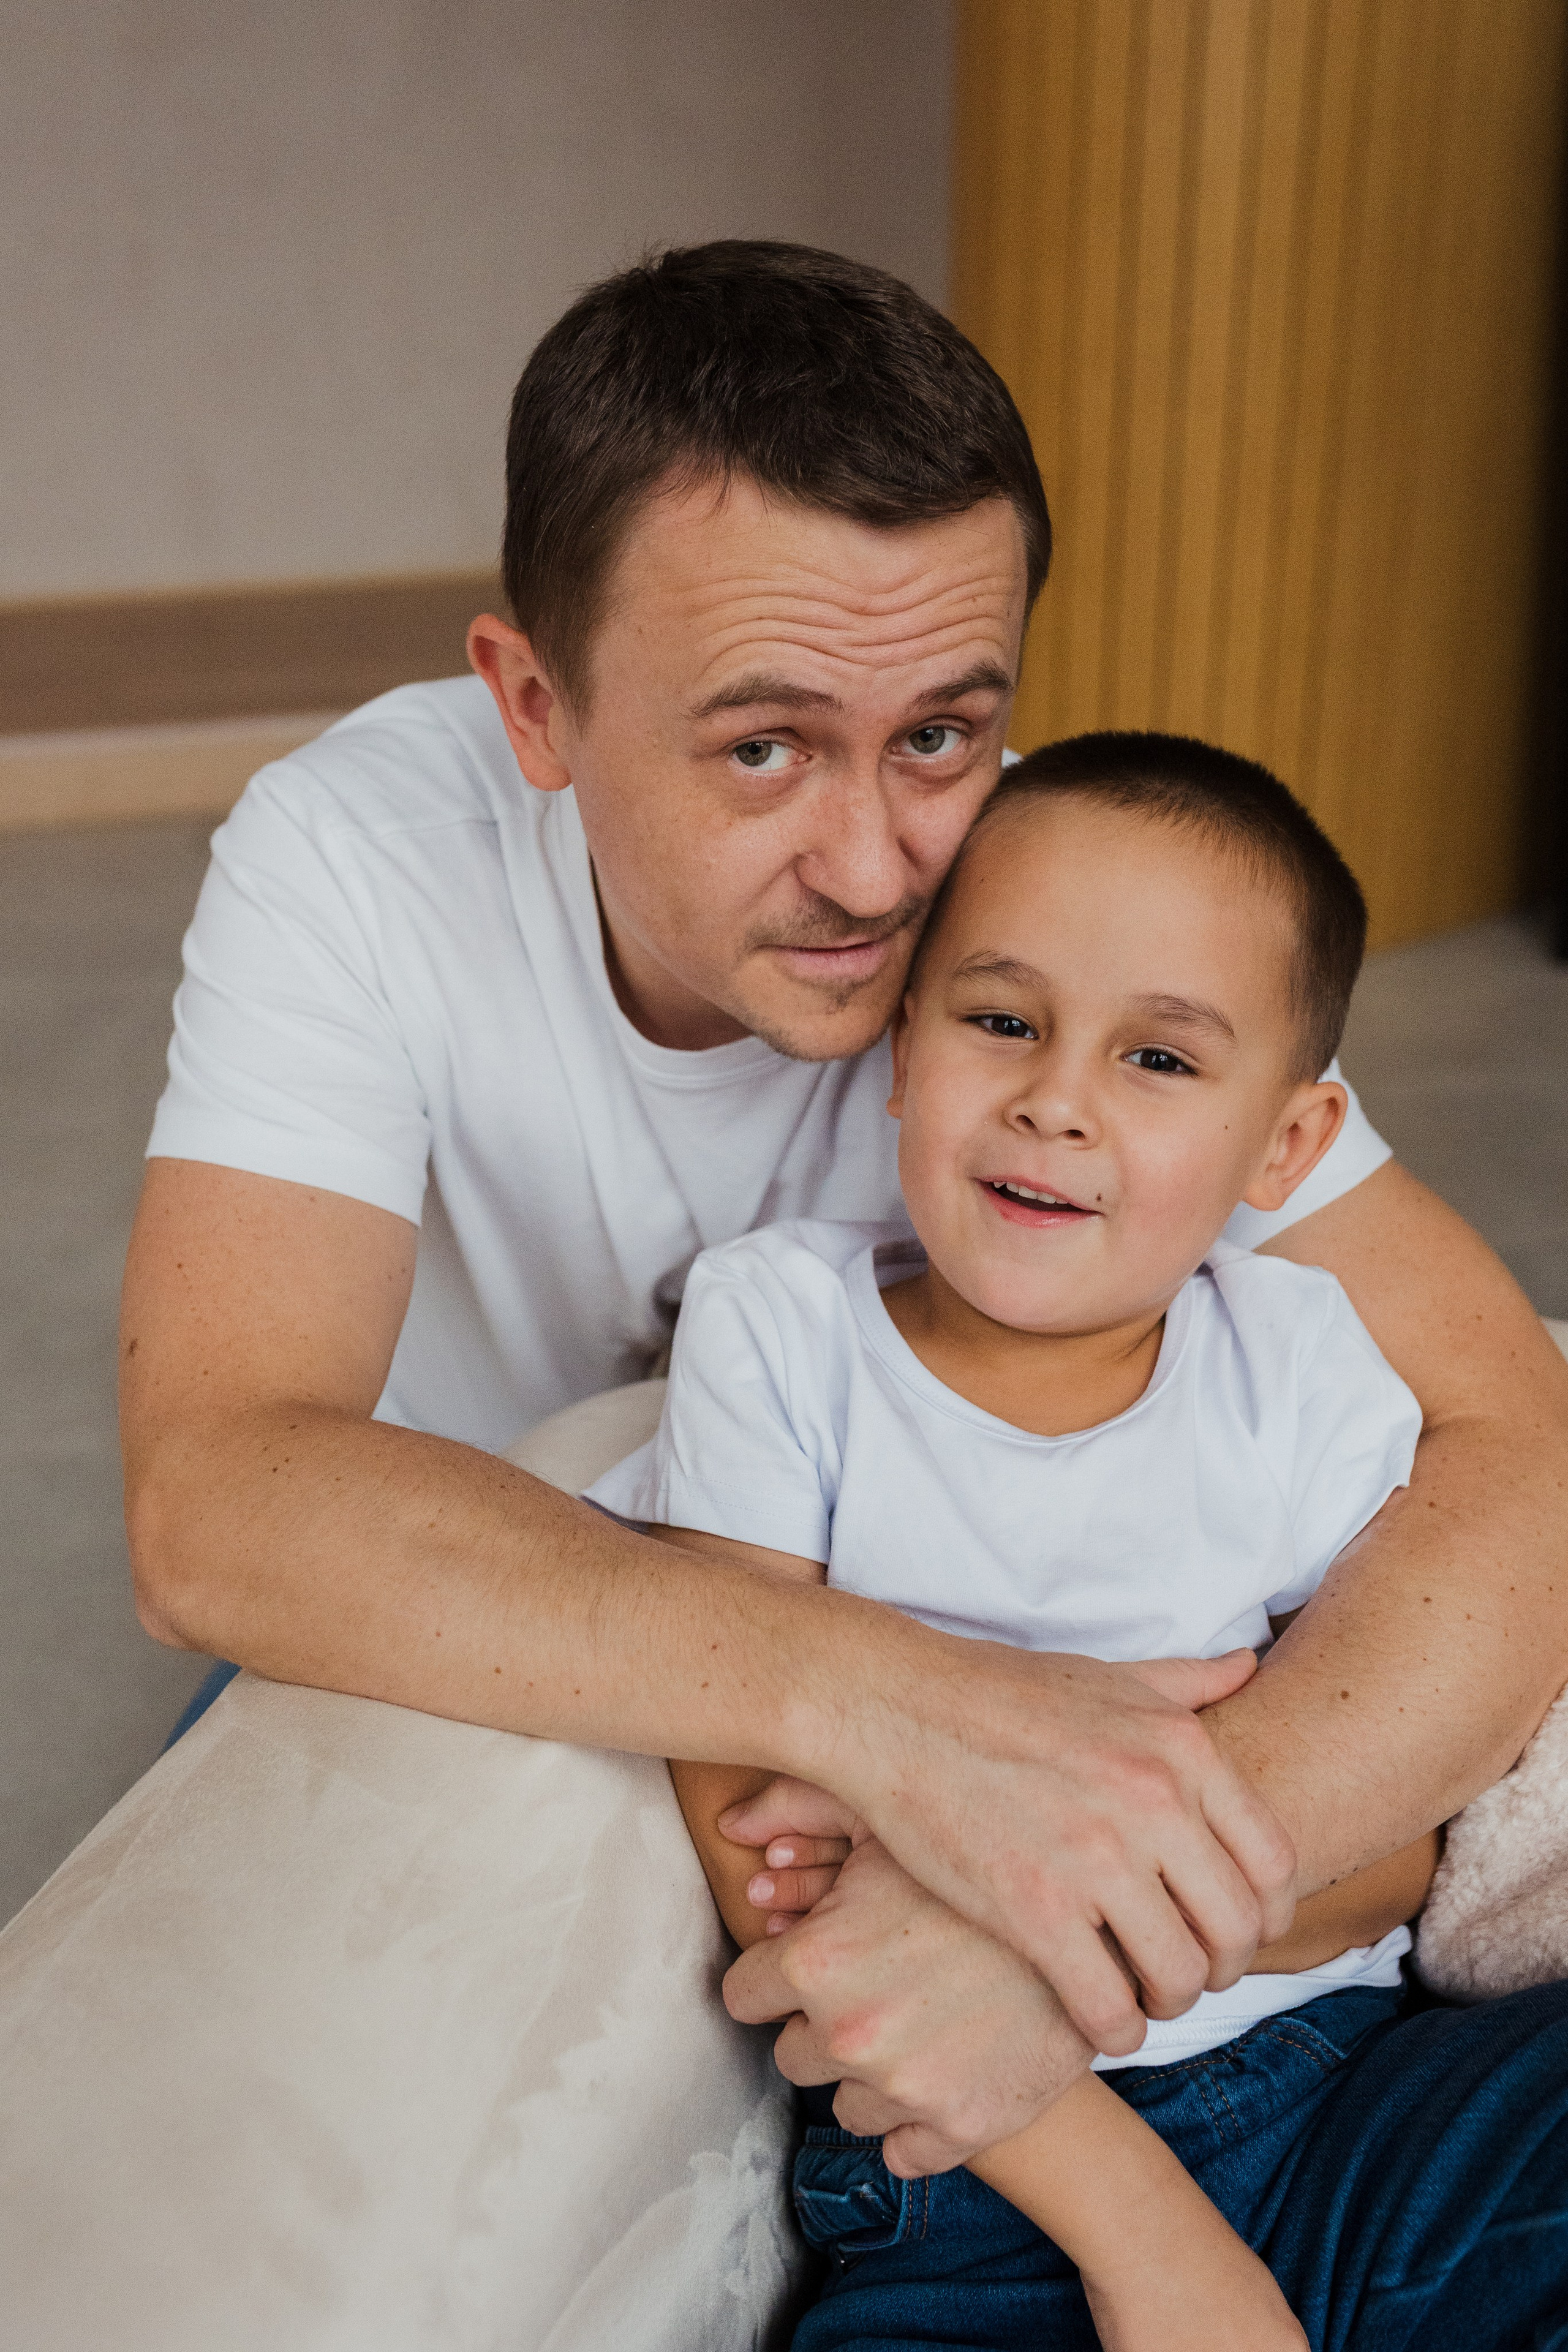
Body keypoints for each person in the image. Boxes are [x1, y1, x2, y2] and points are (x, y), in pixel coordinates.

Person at [119, 243, 1568, 2230]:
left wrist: (1115, 1879)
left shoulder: (1045, 921)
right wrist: (901, 1708)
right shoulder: (358, 858)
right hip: (505, 1596)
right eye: (765, 746)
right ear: (536, 706)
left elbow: (1508, 1423)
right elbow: (217, 1495)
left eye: (946, 733)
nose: (884, 865)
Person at [588, 731, 1442, 2349]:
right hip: (968, 2158)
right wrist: (1156, 2242)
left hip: (1339, 2083)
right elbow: (761, 1840)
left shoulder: (1304, 1362)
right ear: (899, 1050)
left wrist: (1020, 1917)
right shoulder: (782, 1332)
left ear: (1286, 1149)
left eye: (1162, 1061)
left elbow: (1393, 1848)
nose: (1056, 1101)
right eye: (1001, 1022)